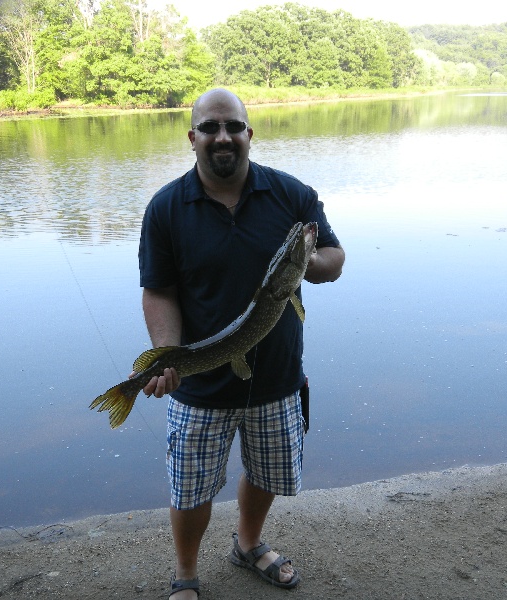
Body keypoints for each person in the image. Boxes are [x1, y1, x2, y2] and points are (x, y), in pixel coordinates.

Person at [137, 88, 345, 599]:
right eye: (210, 128)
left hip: (276, 377)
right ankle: (185, 574)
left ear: (250, 133)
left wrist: (306, 264)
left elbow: (335, 260)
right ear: (193, 138)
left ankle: (247, 544)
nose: (222, 136)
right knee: (190, 488)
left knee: (267, 471)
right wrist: (167, 357)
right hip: (199, 384)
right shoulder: (166, 208)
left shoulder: (292, 195)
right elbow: (158, 292)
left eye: (233, 126)